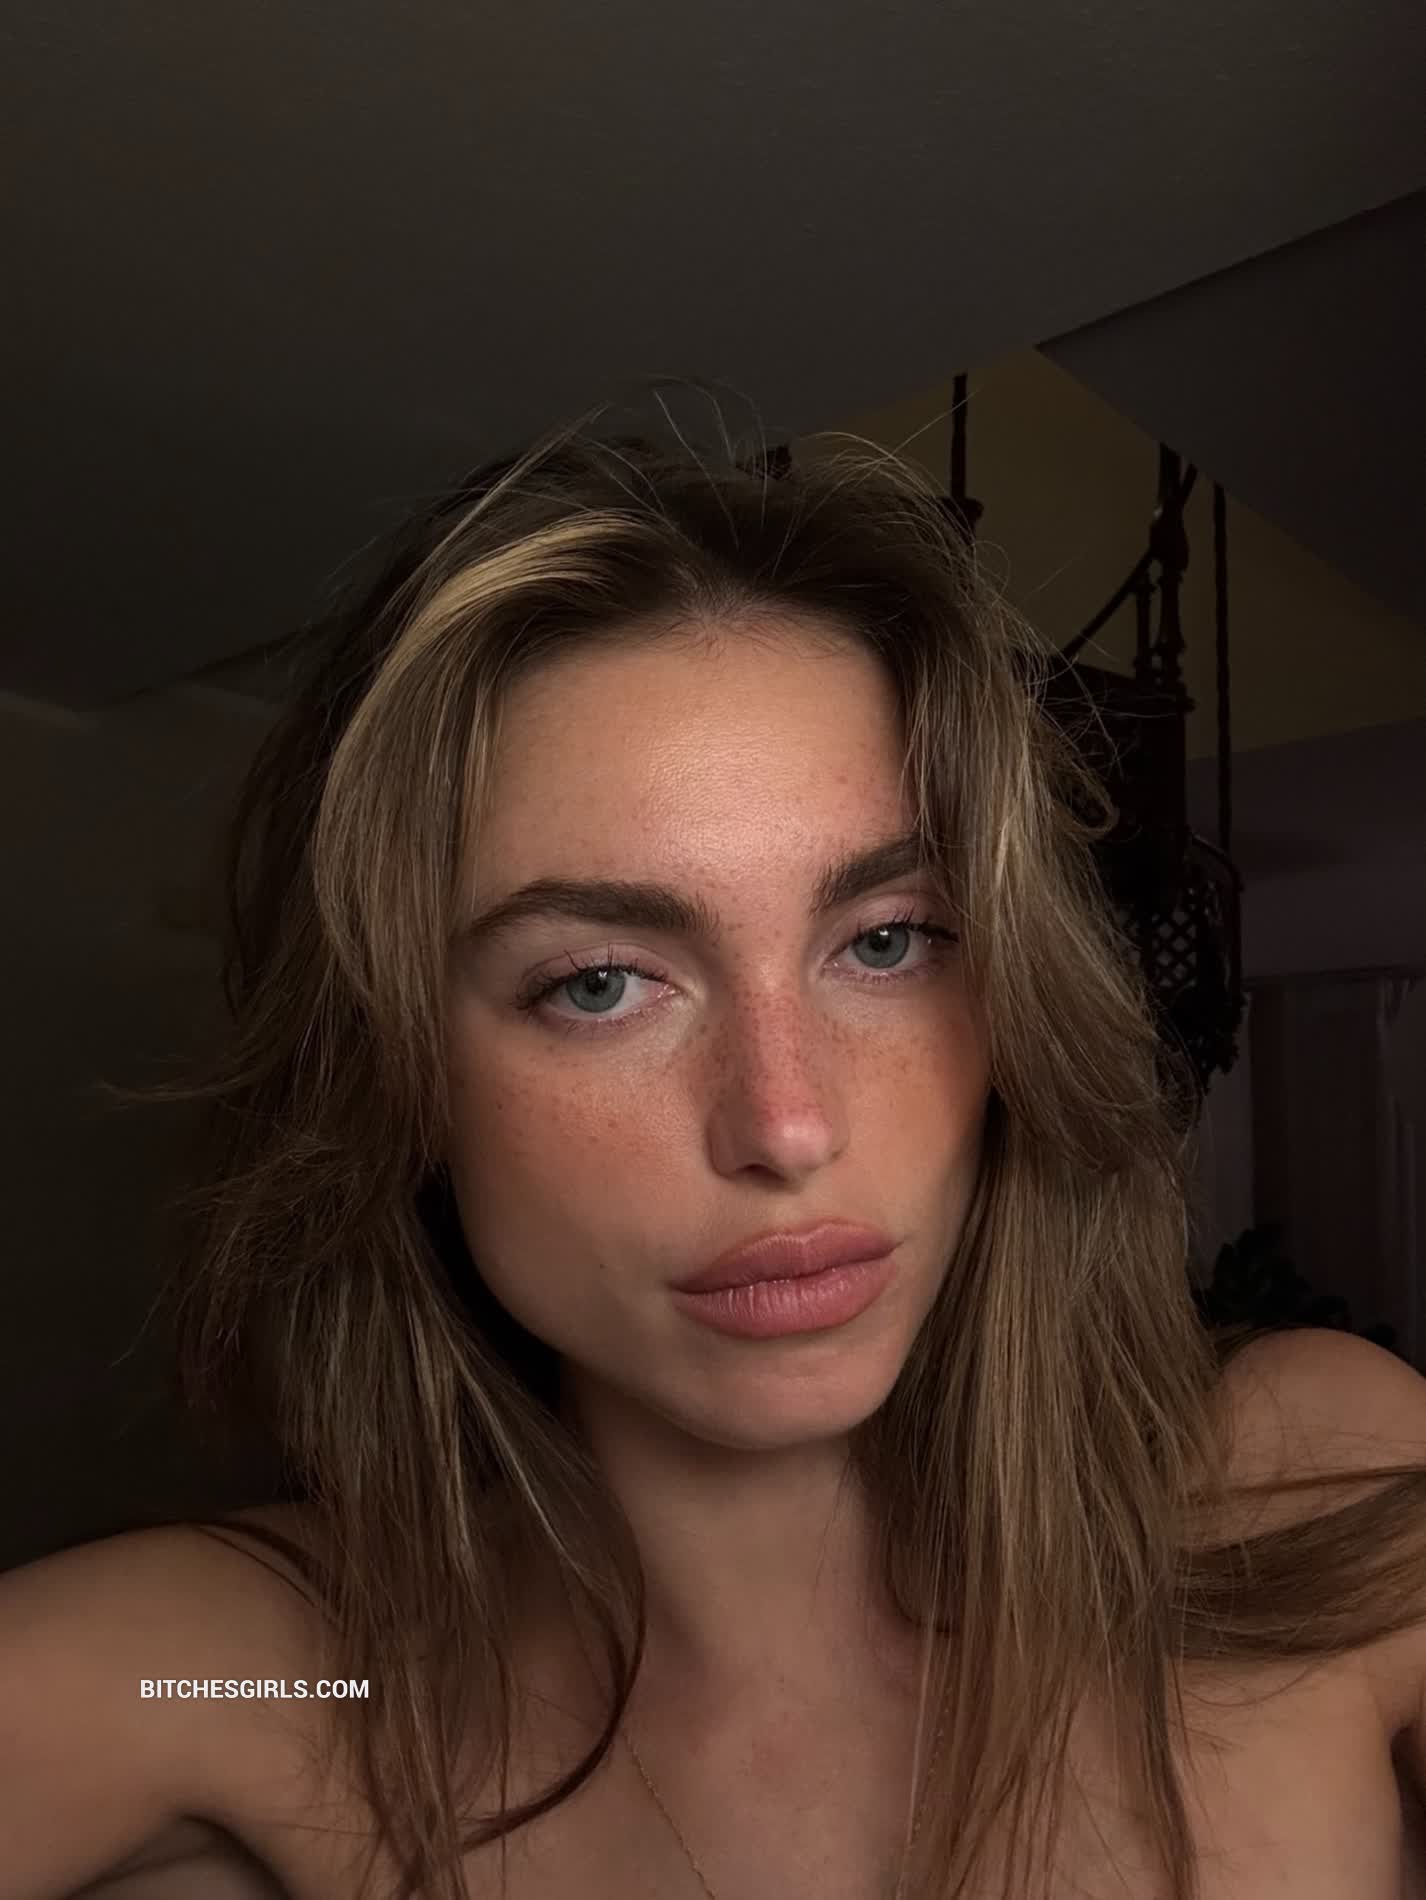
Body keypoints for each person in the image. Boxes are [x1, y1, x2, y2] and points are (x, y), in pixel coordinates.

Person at [6, 377, 1426, 1900]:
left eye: (886, 941)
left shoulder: (1309, 1491)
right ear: (400, 1078)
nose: (786, 1124)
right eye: (599, 983)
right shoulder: (274, 1677)